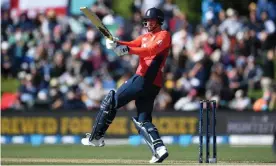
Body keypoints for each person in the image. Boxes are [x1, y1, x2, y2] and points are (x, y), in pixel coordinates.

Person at [81, 8, 171, 163]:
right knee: (143, 120)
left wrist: (127, 50)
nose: (148, 22)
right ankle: (159, 149)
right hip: (151, 85)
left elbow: (150, 51)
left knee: (111, 100)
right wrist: (116, 42)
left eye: (151, 20)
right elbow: (129, 44)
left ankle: (96, 137)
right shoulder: (145, 37)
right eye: (147, 20)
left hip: (144, 79)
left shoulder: (164, 35)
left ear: (159, 21)